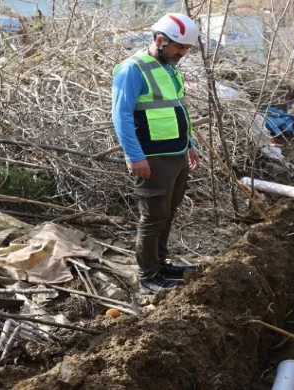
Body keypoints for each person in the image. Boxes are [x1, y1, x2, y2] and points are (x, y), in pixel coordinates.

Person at [111, 13, 201, 292]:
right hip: (151, 157)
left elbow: (179, 108)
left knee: (168, 213)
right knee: (152, 218)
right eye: (179, 47)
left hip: (176, 153)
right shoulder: (132, 69)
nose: (183, 53)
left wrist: (190, 144)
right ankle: (149, 275)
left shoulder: (170, 67)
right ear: (160, 40)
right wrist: (134, 156)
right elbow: (121, 115)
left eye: (187, 48)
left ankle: (161, 263)